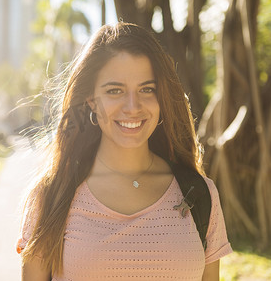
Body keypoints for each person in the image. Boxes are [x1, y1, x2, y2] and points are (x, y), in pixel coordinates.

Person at [16, 22, 233, 281]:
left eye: (146, 89)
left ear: (162, 98)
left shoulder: (199, 194)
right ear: (91, 102)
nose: (133, 106)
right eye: (115, 91)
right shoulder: (51, 196)